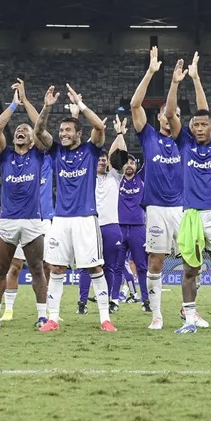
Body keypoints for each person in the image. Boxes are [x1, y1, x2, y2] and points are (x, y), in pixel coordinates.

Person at [166, 53, 211, 335]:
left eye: (203, 125)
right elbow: (171, 114)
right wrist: (174, 83)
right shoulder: (184, 143)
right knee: (189, 271)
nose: (198, 129)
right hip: (192, 215)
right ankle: (189, 322)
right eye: (194, 125)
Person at [35, 84, 115, 331]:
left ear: (79, 133)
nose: (63, 134)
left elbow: (100, 127)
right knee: (56, 268)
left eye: (68, 130)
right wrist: (46, 107)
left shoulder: (91, 150)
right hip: (60, 219)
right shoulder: (57, 151)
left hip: (85, 219)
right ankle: (53, 319)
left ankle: (105, 319)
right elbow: (39, 131)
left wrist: (80, 106)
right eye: (61, 130)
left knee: (95, 267)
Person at [0, 81, 51, 328]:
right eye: (18, 129)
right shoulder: (6, 155)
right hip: (8, 220)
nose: (21, 130)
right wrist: (13, 104)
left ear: (33, 139)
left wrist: (29, 101)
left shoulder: (38, 154)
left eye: (26, 129)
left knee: (36, 269)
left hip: (33, 220)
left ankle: (42, 316)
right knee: (1, 269)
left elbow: (41, 128)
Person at [129, 47, 188, 330]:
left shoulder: (181, 138)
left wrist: (175, 84)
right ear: (159, 119)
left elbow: (173, 111)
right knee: (155, 261)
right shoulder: (149, 137)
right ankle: (156, 315)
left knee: (191, 259)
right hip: (154, 208)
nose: (169, 115)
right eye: (165, 113)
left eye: (173, 113)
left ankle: (187, 309)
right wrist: (151, 72)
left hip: (179, 208)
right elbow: (135, 106)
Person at [92, 118, 130, 313]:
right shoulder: (88, 176)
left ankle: (110, 301)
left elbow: (121, 155)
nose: (102, 161)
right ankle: (89, 300)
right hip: (91, 225)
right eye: (98, 159)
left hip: (111, 226)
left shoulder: (114, 176)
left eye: (104, 159)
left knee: (112, 266)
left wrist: (119, 134)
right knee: (91, 265)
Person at [117, 151, 148, 311]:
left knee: (141, 266)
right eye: (126, 163)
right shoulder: (116, 179)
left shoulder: (141, 178)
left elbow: (149, 158)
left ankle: (145, 300)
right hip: (120, 227)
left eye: (132, 163)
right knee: (117, 266)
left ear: (136, 166)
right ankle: (114, 300)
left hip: (138, 228)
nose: (129, 165)